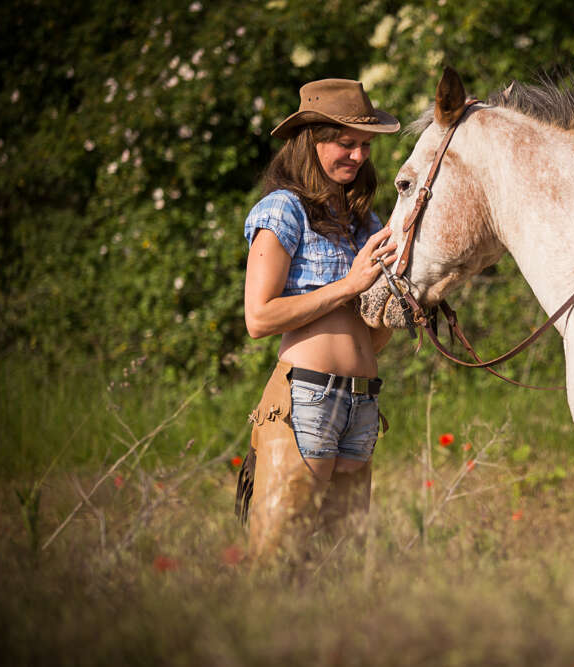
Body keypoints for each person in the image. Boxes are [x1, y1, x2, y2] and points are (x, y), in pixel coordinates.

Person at [238, 78, 399, 558]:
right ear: (311, 143)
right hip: (307, 395)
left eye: (365, 145)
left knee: (342, 560)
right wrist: (350, 285)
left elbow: (371, 339)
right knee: (280, 554)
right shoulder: (284, 210)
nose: (358, 155)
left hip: (363, 402)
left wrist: (397, 304)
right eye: (345, 143)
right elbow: (259, 317)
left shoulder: (364, 221)